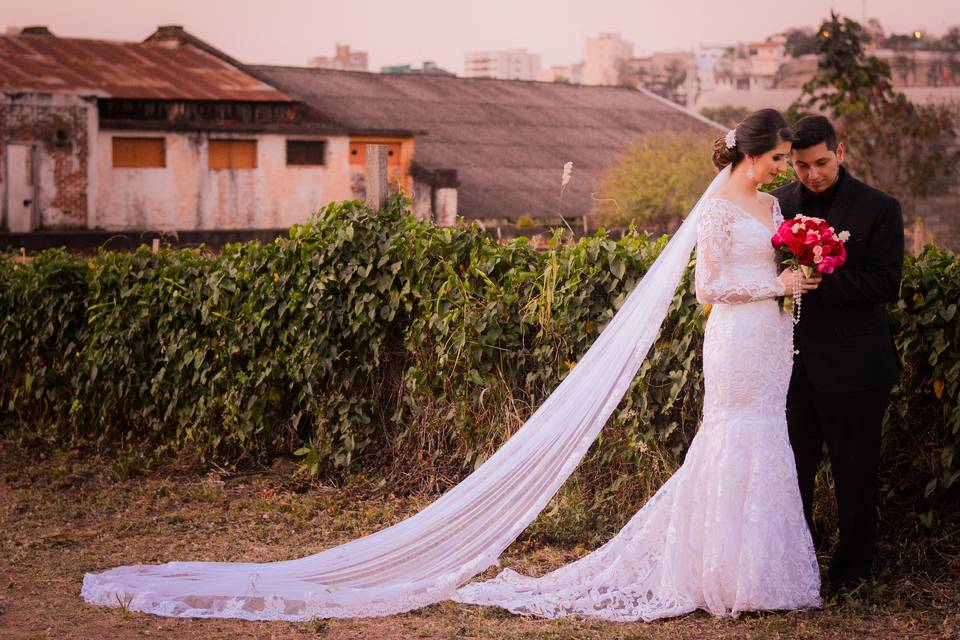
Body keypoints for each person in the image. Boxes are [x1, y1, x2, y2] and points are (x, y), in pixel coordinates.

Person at [81, 109, 823, 622]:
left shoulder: (771, 206)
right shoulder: (722, 208)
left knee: (764, 439)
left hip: (771, 341)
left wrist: (801, 272)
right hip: (736, 338)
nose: (784, 168)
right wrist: (775, 282)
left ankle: (756, 573)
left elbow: (773, 259)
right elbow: (706, 288)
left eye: (788, 161)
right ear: (750, 153)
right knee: (733, 437)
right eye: (778, 158)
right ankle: (724, 577)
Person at [771, 115, 904, 593]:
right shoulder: (777, 205)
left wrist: (824, 282)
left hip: (857, 366)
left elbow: (887, 283)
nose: (812, 174)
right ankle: (797, 568)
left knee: (856, 474)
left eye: (821, 162)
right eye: (801, 165)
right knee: (792, 473)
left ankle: (852, 575)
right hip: (789, 364)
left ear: (840, 152)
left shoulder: (879, 208)